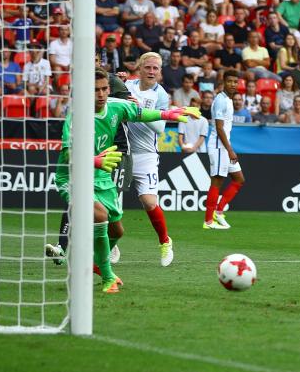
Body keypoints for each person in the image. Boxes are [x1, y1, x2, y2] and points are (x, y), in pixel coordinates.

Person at [47, 70, 197, 293]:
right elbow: (69, 156)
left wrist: (169, 115)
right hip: (71, 176)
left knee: (117, 231)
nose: (100, 94)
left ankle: (91, 264)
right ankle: (107, 277)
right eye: (95, 90)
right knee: (100, 215)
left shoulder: (116, 107)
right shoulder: (76, 117)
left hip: (100, 175)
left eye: (104, 89)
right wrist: (95, 161)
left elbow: (141, 114)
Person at [123, 53, 175, 267]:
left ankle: (165, 242)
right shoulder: (126, 85)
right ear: (140, 67)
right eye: (148, 67)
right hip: (121, 152)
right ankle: (112, 245)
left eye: (155, 68)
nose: (151, 72)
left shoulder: (161, 96)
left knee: (149, 202)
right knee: (110, 206)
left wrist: (139, 110)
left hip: (146, 155)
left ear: (160, 71)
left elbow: (160, 128)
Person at [204, 70, 246, 230]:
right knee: (217, 181)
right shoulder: (221, 101)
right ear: (223, 82)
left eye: (236, 81)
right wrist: (229, 150)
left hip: (224, 146)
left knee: (239, 179)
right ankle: (208, 221)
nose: (233, 84)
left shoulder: (228, 99)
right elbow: (219, 128)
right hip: (218, 146)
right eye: (230, 81)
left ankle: (219, 211)